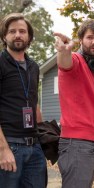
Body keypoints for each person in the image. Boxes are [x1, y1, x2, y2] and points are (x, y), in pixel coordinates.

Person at [53, 19, 94, 188]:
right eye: (90, 37)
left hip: (91, 143)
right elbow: (64, 62)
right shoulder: (75, 60)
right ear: (81, 40)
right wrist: (63, 50)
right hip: (77, 144)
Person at [0, 13, 46, 187]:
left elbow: (33, 102)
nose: (17, 35)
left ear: (29, 36)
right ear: (5, 36)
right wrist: (2, 150)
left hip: (34, 148)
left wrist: (43, 139)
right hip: (9, 145)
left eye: (22, 31)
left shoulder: (34, 66)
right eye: (12, 31)